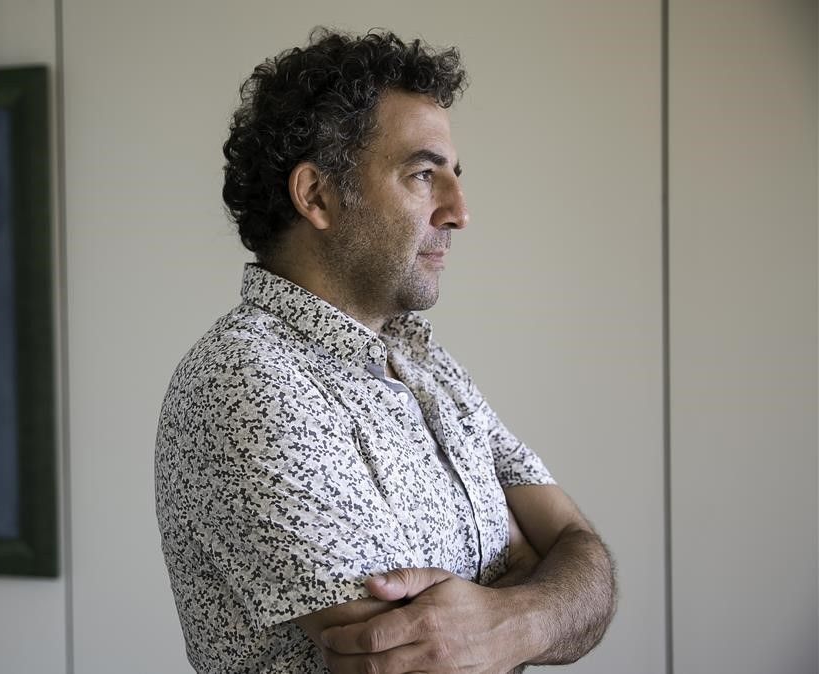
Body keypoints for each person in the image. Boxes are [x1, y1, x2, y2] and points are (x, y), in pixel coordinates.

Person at [155, 29, 615, 673]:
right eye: (424, 175)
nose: (458, 212)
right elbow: (410, 662)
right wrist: (530, 582)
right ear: (317, 195)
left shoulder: (425, 363)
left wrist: (510, 622)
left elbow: (579, 547)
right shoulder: (248, 382)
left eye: (454, 176)